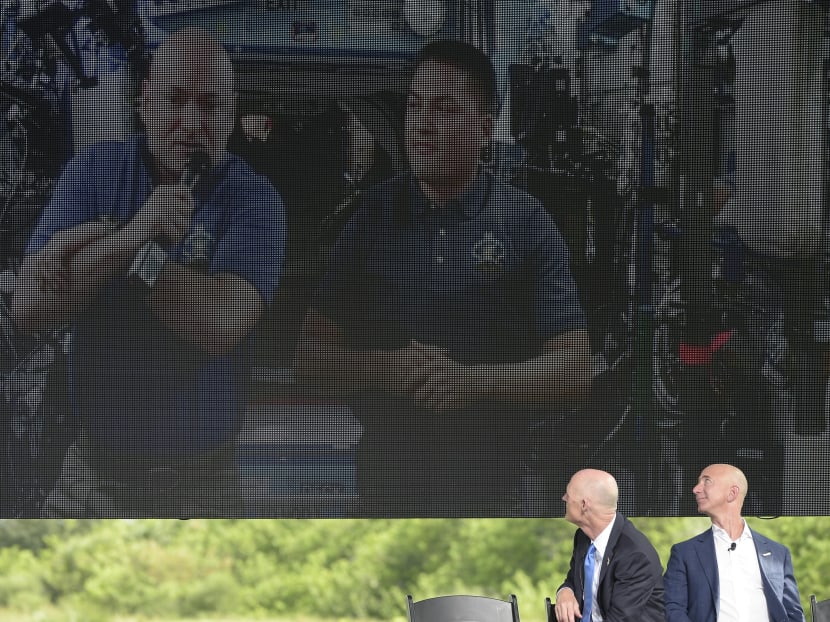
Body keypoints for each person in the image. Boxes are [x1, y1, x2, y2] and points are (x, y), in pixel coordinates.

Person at [294, 39, 590, 517]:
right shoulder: (373, 216)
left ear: (485, 122)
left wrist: (472, 383)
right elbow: (309, 359)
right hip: (386, 481)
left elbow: (573, 372)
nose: (422, 125)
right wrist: (392, 368)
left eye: (443, 108)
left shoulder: (524, 221)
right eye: (414, 107)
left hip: (488, 485)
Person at [11, 27, 285, 517]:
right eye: (175, 100)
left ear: (232, 111)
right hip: (93, 473)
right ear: (144, 102)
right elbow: (32, 308)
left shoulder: (256, 197)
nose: (191, 121)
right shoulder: (91, 171)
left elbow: (219, 326)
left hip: (206, 480)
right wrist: (138, 231)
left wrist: (105, 257)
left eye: (210, 103)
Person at [663, 463, 804, 622]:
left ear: (732, 493)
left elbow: (794, 613)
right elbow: (672, 609)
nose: (696, 489)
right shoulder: (684, 553)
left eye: (707, 481)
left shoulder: (778, 553)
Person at [554, 469, 665, 622]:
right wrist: (565, 592)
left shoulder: (635, 555)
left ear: (584, 505)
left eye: (568, 494)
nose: (564, 498)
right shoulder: (582, 537)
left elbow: (620, 619)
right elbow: (572, 580)